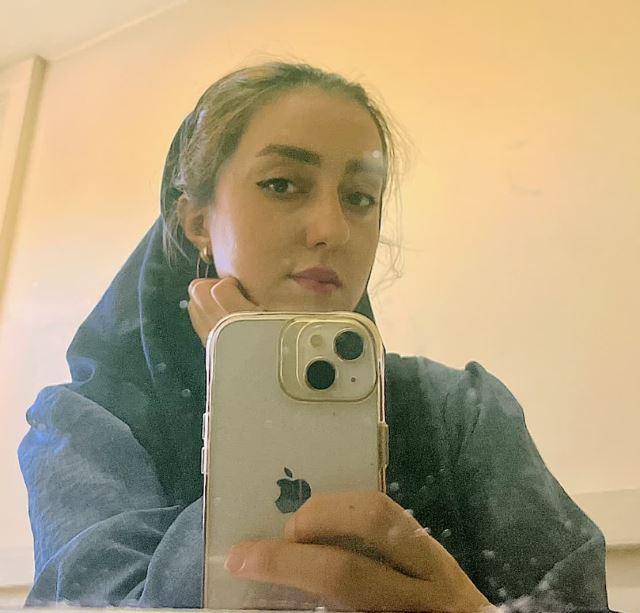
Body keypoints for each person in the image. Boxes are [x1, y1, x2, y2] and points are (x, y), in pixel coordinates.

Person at [18, 62, 609, 612]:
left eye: (360, 198)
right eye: (282, 184)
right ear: (198, 221)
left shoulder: (457, 409)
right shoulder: (86, 425)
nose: (332, 229)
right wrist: (254, 403)